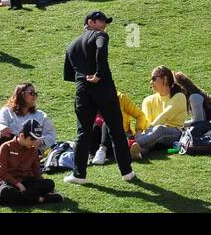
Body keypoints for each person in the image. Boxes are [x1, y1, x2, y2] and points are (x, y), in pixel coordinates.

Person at [63, 11, 136, 184]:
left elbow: (67, 75)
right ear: (90, 22)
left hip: (82, 90)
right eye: (101, 21)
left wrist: (83, 78)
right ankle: (127, 172)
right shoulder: (100, 35)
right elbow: (101, 48)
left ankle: (78, 175)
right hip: (103, 88)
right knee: (116, 130)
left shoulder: (71, 45)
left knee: (83, 132)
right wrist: (98, 73)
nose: (105, 25)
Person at [0, 82, 57, 179]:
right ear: (21, 94)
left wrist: (41, 140)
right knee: (7, 138)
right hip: (10, 144)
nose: (35, 96)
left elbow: (51, 134)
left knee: (8, 152)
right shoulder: (7, 111)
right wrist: (2, 129)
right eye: (31, 93)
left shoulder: (41, 115)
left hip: (30, 148)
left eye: (36, 93)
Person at [0, 119, 63, 208]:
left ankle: (6, 200)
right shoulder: (6, 147)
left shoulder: (34, 150)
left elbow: (36, 171)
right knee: (6, 191)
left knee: (49, 183)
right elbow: (2, 172)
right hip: (10, 182)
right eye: (32, 139)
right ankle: (42, 199)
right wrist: (18, 184)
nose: (35, 143)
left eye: (36, 139)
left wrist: (49, 187)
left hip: (28, 181)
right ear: (22, 136)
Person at [130, 66, 189, 158]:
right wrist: (142, 131)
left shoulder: (179, 97)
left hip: (175, 133)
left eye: (154, 78)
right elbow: (145, 120)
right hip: (152, 134)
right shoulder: (148, 100)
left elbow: (165, 116)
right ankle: (136, 153)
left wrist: (149, 130)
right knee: (151, 139)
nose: (151, 82)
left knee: (159, 129)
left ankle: (128, 145)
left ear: (165, 79)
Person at [92, 91, 148, 167]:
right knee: (95, 127)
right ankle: (128, 152)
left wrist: (138, 131)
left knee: (109, 121)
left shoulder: (121, 98)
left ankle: (103, 149)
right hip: (99, 139)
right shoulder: (90, 100)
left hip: (120, 134)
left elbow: (140, 115)